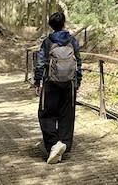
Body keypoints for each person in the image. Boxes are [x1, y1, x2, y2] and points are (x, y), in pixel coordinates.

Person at [33, 11, 82, 164]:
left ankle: (54, 144)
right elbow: (78, 62)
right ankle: (63, 144)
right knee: (66, 115)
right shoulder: (72, 41)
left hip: (50, 84)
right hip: (69, 85)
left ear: (51, 25)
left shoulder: (48, 42)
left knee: (45, 114)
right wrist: (78, 82)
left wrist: (37, 82)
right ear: (64, 23)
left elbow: (40, 62)